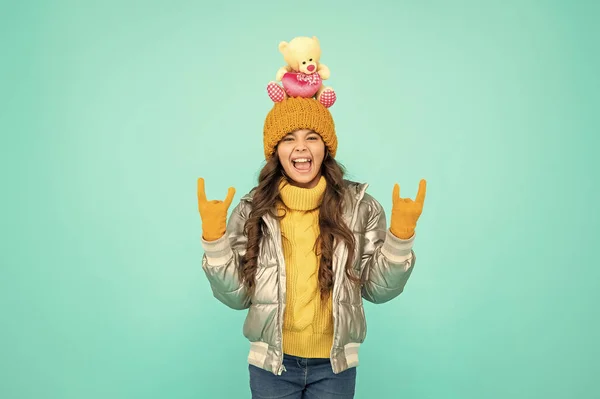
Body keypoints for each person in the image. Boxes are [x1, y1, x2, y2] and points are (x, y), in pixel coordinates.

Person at [197, 97, 426, 398]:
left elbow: (378, 290)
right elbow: (238, 297)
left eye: (312, 137)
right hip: (272, 365)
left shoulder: (359, 208)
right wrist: (215, 242)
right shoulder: (253, 210)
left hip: (334, 366)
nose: (301, 147)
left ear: (326, 148)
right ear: (276, 151)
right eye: (289, 138)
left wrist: (400, 237)